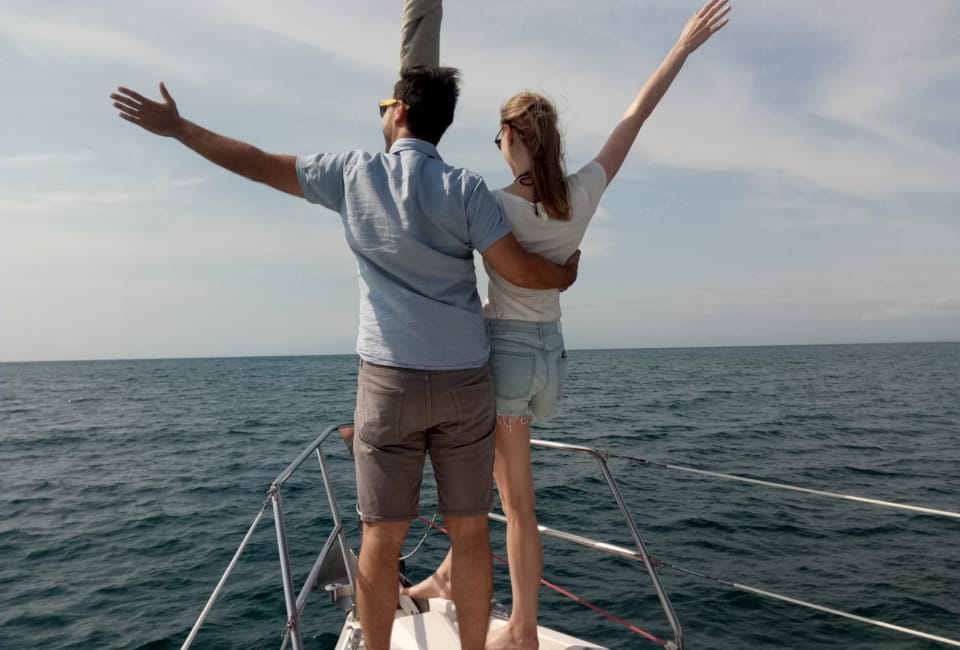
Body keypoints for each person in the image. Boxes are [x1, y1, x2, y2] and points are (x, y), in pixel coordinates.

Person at [110, 65, 580, 650]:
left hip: (389, 385)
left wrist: (181, 128)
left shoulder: (352, 173)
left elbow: (255, 161)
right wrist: (566, 272)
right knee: (470, 534)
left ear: (401, 112)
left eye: (386, 104)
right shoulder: (466, 189)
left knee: (381, 538)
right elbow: (518, 271)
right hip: (464, 382)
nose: (382, 112)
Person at [402, 2, 731, 649]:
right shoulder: (580, 196)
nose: (496, 143)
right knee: (485, 481)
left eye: (500, 132)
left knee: (516, 504)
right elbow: (636, 114)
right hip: (551, 362)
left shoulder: (491, 205)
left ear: (516, 136)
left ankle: (521, 629)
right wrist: (683, 47)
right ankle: (446, 575)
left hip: (504, 363)